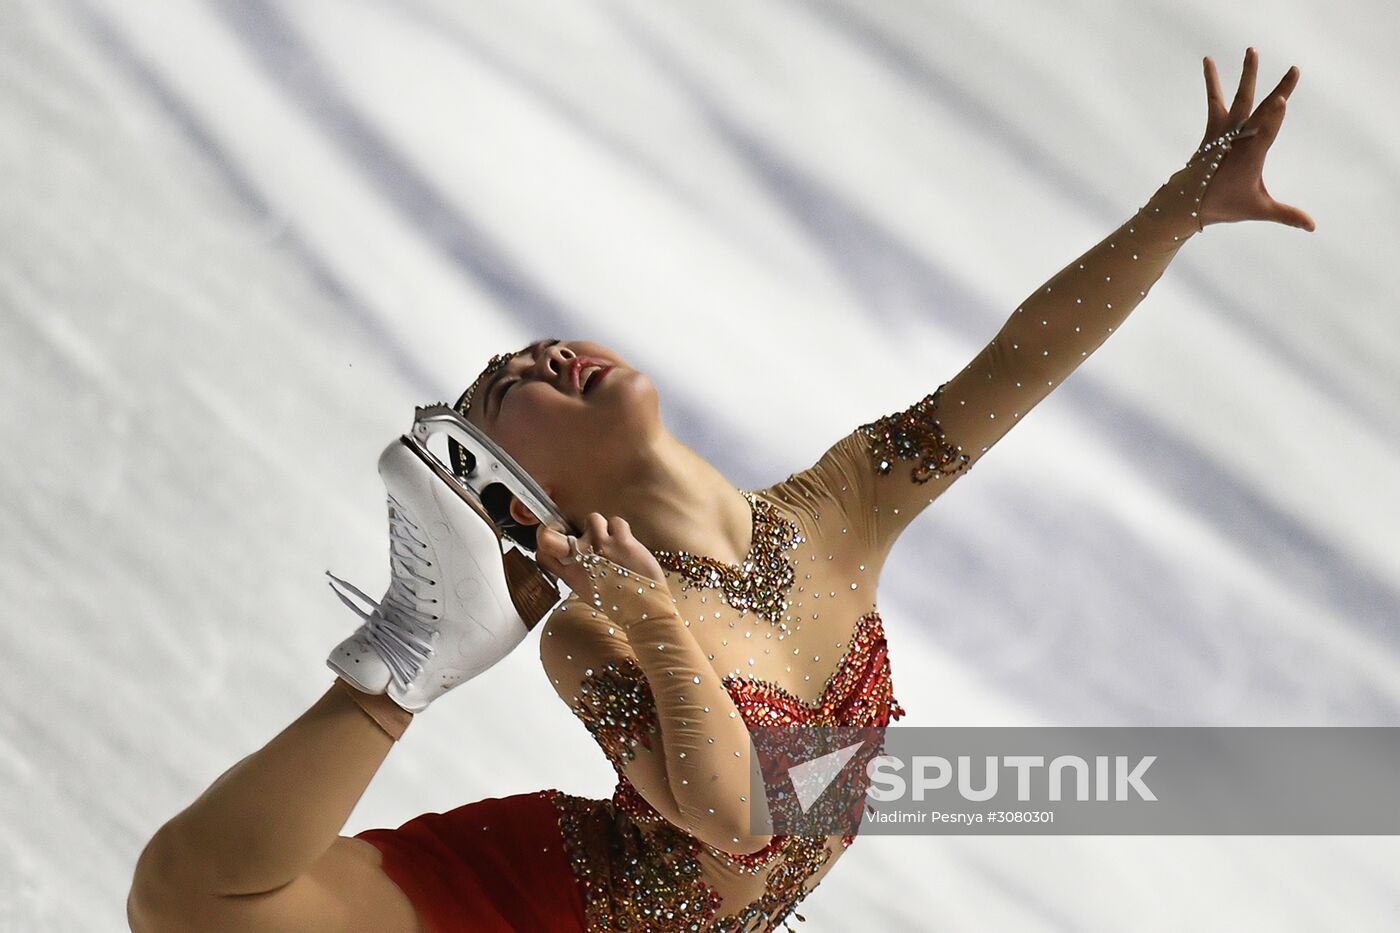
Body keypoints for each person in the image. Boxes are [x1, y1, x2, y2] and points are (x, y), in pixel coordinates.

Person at [126, 48, 1313, 933]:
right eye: (501, 389)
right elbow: (741, 813)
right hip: (565, 909)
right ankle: (407, 655)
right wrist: (653, 624)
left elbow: (1015, 364)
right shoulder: (591, 631)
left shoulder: (838, 506)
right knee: (192, 906)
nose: (535, 356)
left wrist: (1178, 211)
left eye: (526, 347)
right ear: (515, 489)